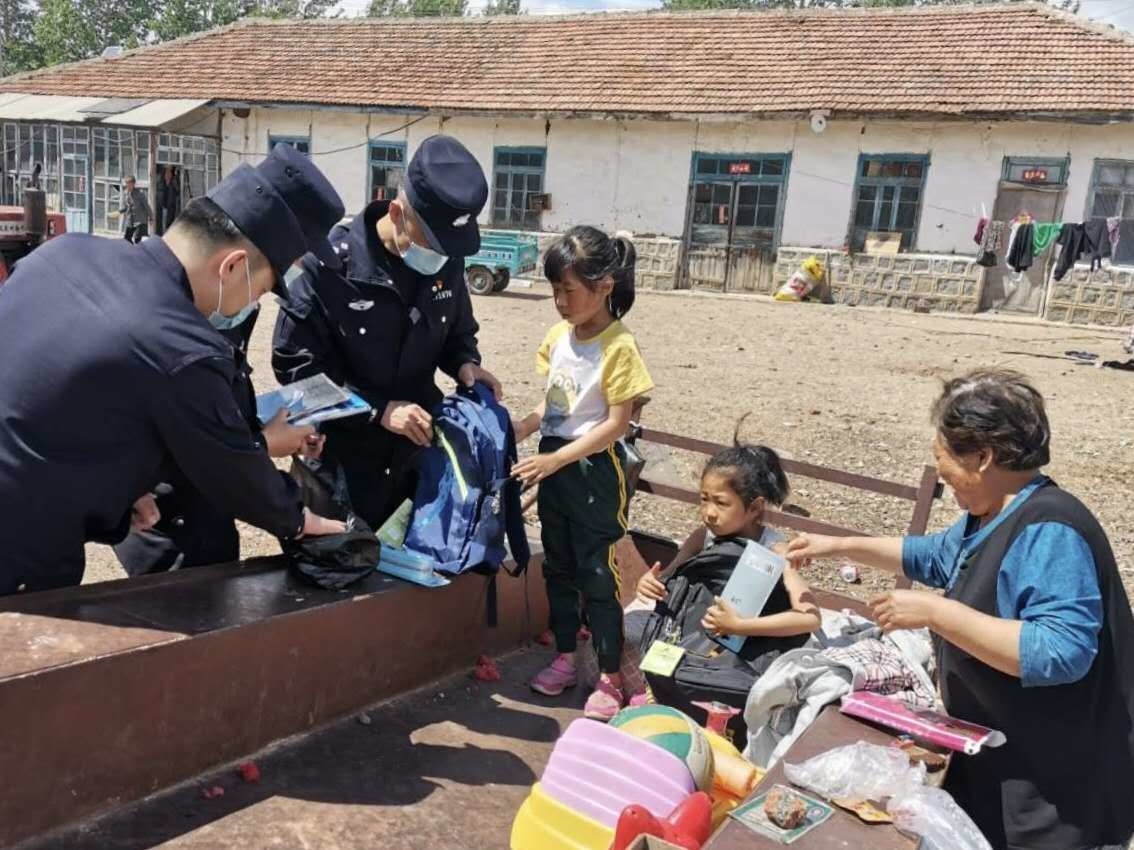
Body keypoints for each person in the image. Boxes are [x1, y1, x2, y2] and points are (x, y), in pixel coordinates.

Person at [787, 369, 1134, 850]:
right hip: (1003, 764)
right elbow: (931, 555)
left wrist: (935, 612)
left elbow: (1060, 651)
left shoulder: (1050, 529)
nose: (942, 476)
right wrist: (836, 544)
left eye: (943, 460)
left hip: (1057, 794)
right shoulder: (995, 512)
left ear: (983, 456)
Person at [0, 144, 348, 596]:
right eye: (263, 288)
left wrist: (124, 488)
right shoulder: (179, 343)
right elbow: (230, 470)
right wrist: (300, 519)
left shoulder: (66, 252)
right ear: (234, 266)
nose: (256, 302)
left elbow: (57, 398)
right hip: (19, 544)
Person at [272, 135, 501, 529]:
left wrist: (466, 363)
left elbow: (457, 330)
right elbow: (296, 373)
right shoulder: (325, 268)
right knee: (336, 580)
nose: (441, 258)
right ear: (397, 213)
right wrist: (377, 410)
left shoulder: (445, 261)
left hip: (416, 463)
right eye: (431, 244)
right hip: (339, 465)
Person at [512, 225, 653, 721]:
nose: (560, 301)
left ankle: (611, 675)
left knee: (598, 573)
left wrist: (555, 458)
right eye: (554, 290)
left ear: (604, 287)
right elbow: (553, 405)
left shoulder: (619, 347)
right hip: (555, 465)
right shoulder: (558, 339)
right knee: (559, 567)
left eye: (569, 290)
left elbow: (616, 424)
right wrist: (522, 428)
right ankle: (567, 657)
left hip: (594, 471)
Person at [112, 300, 320, 575]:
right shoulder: (170, 330)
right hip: (167, 515)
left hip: (211, 505)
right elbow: (189, 431)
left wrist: (265, 433)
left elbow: (217, 403)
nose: (259, 296)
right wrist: (296, 519)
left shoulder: (229, 303)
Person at [628, 441, 819, 723]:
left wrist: (740, 626)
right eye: (704, 499)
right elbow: (670, 582)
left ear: (754, 508)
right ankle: (654, 692)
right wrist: (648, 583)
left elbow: (810, 619)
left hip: (743, 654)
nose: (708, 512)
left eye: (721, 502)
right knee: (631, 625)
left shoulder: (775, 551)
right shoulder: (702, 538)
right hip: (695, 639)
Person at [120, 175, 153, 244]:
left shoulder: (140, 194)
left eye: (129, 184)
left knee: (137, 239)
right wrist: (119, 211)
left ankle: (137, 252)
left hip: (140, 220)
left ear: (133, 184)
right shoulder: (125, 193)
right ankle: (133, 251)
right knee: (127, 238)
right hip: (130, 220)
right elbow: (125, 207)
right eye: (127, 184)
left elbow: (146, 206)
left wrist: (151, 217)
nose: (128, 186)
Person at [155, 165, 180, 235]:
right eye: (166, 173)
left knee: (168, 224)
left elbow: (178, 192)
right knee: (161, 224)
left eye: (169, 173)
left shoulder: (173, 185)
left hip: (170, 208)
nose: (168, 175)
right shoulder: (160, 184)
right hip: (161, 207)